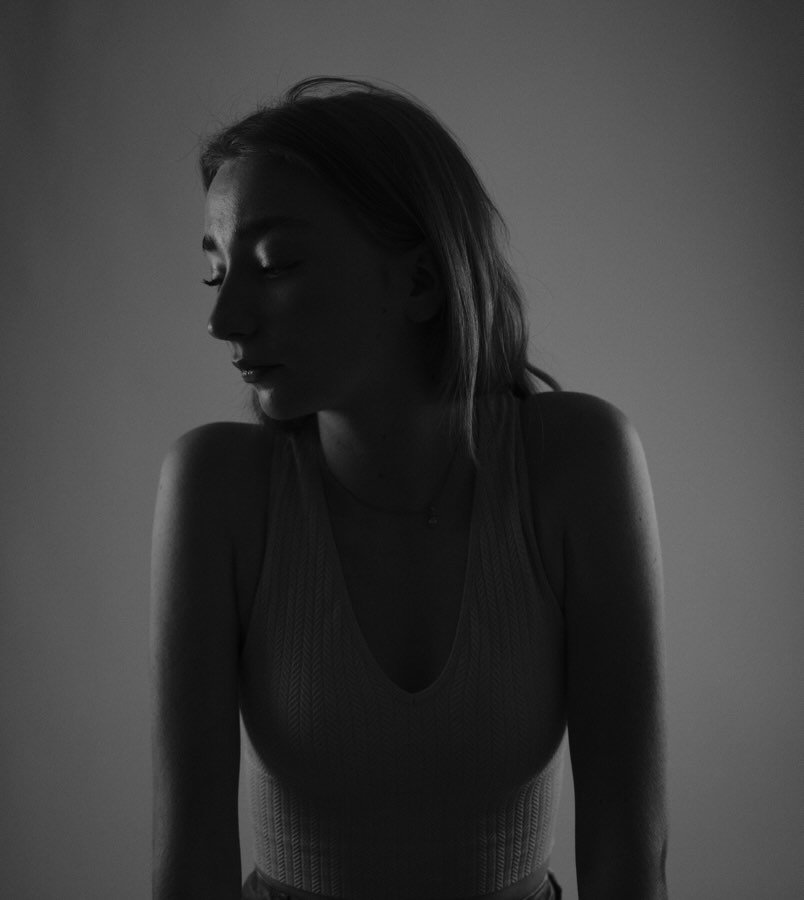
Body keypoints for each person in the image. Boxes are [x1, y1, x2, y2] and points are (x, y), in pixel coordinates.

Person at [151, 77, 668, 900]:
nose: (224, 320)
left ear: (422, 281)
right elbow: (190, 870)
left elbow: (627, 856)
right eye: (217, 274)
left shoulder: (577, 462)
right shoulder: (219, 488)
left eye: (276, 264)